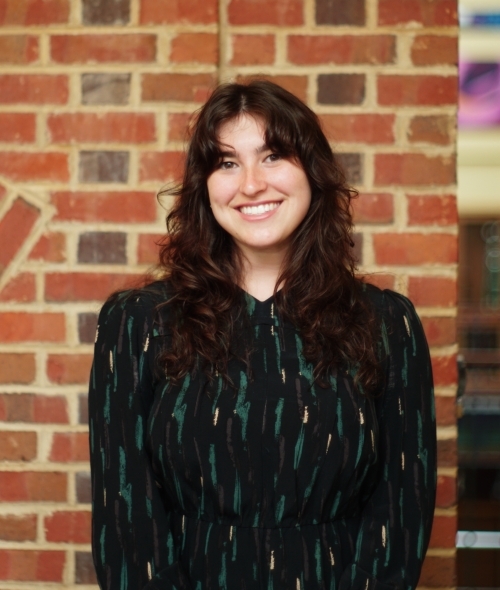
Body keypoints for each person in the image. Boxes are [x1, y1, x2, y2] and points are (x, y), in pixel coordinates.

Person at [88, 80, 436, 590]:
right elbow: (124, 515)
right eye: (227, 163)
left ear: (313, 173)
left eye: (273, 156)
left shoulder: (388, 324)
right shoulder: (137, 323)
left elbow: (402, 509)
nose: (251, 184)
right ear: (204, 186)